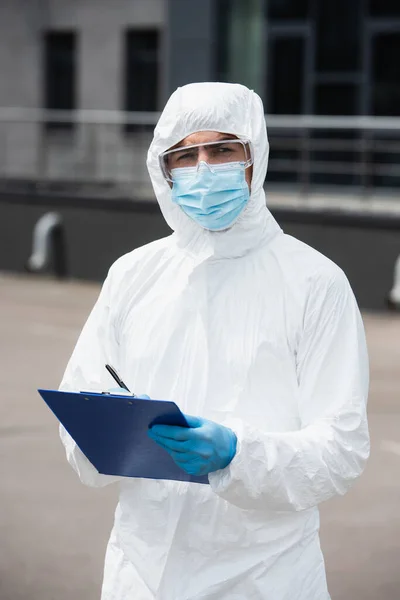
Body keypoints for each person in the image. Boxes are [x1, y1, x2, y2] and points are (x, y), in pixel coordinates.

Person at [59, 82, 370, 600]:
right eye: (185, 154)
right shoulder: (133, 275)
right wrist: (105, 434)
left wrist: (237, 453)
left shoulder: (315, 281)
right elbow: (80, 412)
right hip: (142, 571)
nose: (203, 169)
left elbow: (340, 450)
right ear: (164, 169)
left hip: (265, 576)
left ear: (255, 157)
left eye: (223, 149)